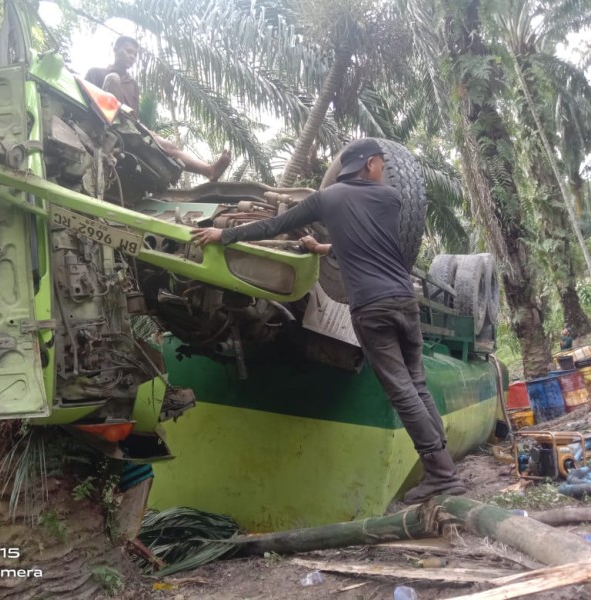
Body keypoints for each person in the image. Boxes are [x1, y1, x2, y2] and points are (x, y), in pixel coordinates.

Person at [191, 138, 466, 504]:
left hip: (371, 306)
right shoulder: (390, 199)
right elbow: (369, 243)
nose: (384, 169)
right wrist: (322, 249)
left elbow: (275, 224)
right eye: (382, 164)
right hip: (404, 302)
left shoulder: (327, 199)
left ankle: (441, 475)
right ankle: (445, 464)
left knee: (400, 389)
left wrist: (224, 234)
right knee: (416, 383)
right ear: (368, 166)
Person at [85, 36, 231, 181]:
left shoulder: (133, 84)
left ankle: (208, 170)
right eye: (128, 51)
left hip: (130, 128)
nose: (132, 56)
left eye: (135, 54)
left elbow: (133, 115)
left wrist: (145, 131)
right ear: (116, 49)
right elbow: (84, 103)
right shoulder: (96, 73)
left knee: (168, 146)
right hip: (103, 123)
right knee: (113, 79)